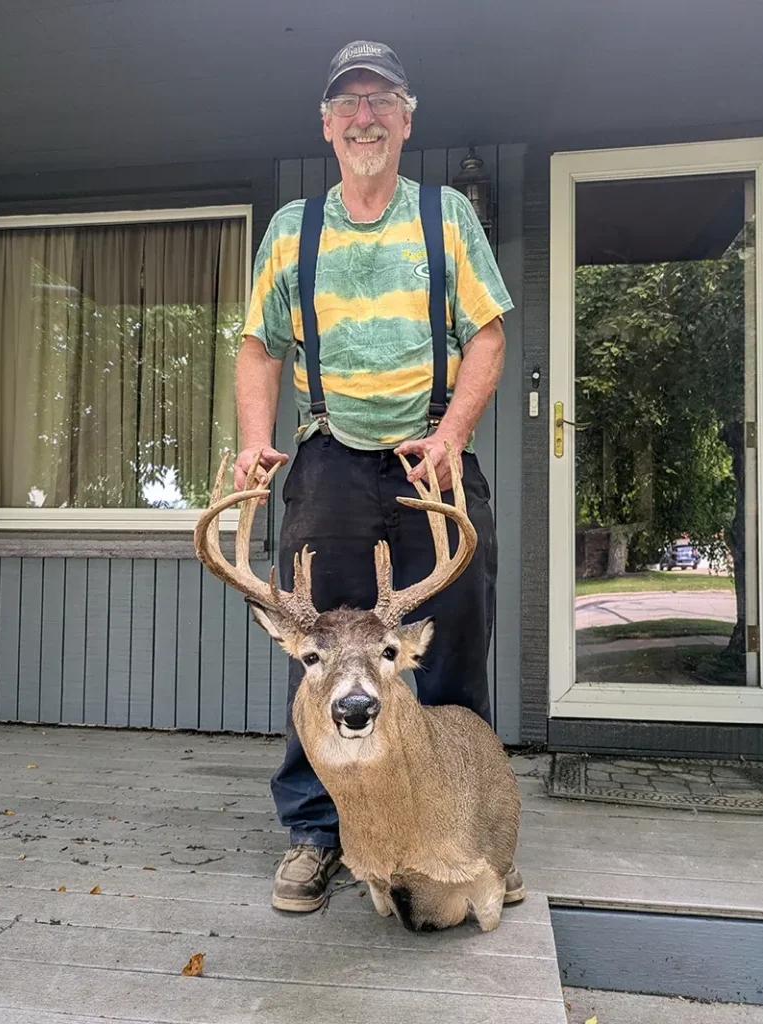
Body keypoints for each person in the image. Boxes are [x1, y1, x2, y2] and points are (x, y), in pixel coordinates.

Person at [235, 40, 515, 913]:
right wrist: (253, 442)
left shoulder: (444, 219)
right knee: (321, 646)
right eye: (348, 104)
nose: (365, 117)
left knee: (451, 644)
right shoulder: (294, 229)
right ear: (327, 125)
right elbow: (258, 347)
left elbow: (488, 336)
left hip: (429, 461)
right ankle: (320, 834)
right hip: (325, 461)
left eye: (380, 101)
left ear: (405, 118)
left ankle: (463, 830)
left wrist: (452, 433)